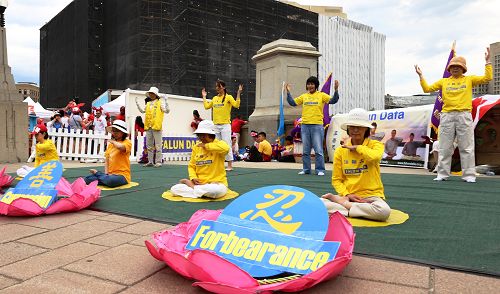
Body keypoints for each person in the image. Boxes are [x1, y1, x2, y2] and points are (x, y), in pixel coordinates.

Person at [415, 47, 492, 182]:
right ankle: (442, 174)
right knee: (444, 146)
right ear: (449, 69)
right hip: (447, 116)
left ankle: (469, 175)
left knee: (466, 146)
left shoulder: (469, 79)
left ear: (463, 68)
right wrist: (421, 76)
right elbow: (427, 89)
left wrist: (488, 62)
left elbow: (487, 78)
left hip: (464, 115)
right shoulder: (443, 81)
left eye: (458, 66)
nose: (455, 68)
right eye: (453, 66)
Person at [321, 108, 391, 221]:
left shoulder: (375, 145)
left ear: (366, 129)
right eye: (352, 127)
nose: (355, 130)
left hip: (371, 196)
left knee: (383, 211)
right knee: (319, 203)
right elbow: (337, 180)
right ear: (348, 129)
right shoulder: (340, 151)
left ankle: (343, 206)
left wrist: (357, 148)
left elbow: (375, 157)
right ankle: (351, 207)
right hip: (349, 196)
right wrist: (347, 194)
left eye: (359, 127)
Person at [286, 76, 340, 176]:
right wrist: (288, 93)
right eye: (308, 84)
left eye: (312, 84)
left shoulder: (321, 95)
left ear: (316, 85)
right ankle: (306, 169)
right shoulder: (304, 96)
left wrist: (336, 90)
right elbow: (292, 103)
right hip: (305, 126)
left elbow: (333, 100)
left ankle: (320, 170)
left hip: (317, 126)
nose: (310, 86)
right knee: (306, 150)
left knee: (318, 150)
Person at [170, 120, 230, 199]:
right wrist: (193, 178)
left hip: (217, 184)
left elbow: (226, 149)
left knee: (215, 191)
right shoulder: (196, 147)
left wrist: (207, 146)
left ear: (211, 135)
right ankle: (198, 190)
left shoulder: (219, 144)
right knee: (175, 189)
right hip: (199, 183)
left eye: (204, 135)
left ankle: (192, 187)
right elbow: (191, 166)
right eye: (200, 136)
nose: (201, 138)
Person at [202, 80, 242, 171]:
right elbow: (206, 106)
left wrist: (238, 93)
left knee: (227, 144)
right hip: (215, 125)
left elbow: (236, 105)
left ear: (223, 87)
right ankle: (217, 165)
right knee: (216, 145)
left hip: (225, 125)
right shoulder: (214, 98)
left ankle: (230, 165)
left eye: (219, 87)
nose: (217, 89)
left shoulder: (228, 97)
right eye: (216, 87)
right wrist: (204, 97)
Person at [84, 120, 131, 188]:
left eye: (117, 131)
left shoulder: (127, 142)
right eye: (113, 131)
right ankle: (104, 178)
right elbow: (107, 160)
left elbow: (120, 147)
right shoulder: (110, 145)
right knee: (87, 179)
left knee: (110, 181)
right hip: (110, 175)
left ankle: (98, 174)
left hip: (122, 175)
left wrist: (113, 142)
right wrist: (106, 174)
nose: (114, 133)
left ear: (123, 132)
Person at [135, 86, 170, 167]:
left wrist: (166, 101)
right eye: (150, 93)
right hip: (148, 126)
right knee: (149, 145)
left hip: (157, 126)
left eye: (152, 93)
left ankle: (158, 161)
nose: (151, 94)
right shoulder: (148, 104)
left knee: (158, 145)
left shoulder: (160, 102)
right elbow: (142, 111)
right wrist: (137, 104)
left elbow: (167, 111)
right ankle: (150, 161)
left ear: (155, 94)